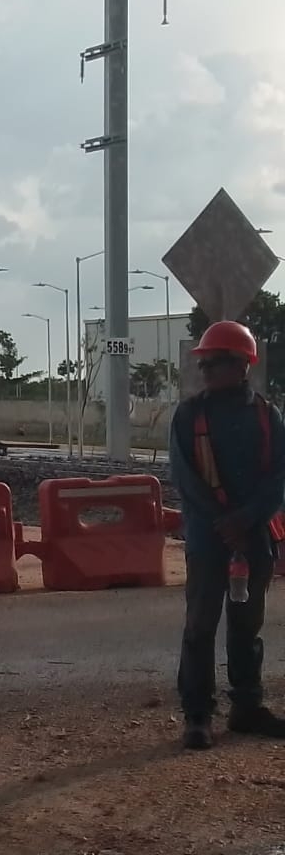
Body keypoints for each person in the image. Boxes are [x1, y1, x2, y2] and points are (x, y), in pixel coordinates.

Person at [169, 319, 285, 750]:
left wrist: (248, 518)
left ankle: (246, 706)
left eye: (214, 363)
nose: (206, 371)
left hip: (253, 538)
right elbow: (184, 476)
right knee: (200, 626)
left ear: (241, 366)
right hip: (207, 538)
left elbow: (278, 477)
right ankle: (198, 715)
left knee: (245, 625)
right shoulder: (189, 414)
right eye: (204, 364)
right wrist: (223, 521)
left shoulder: (267, 417)